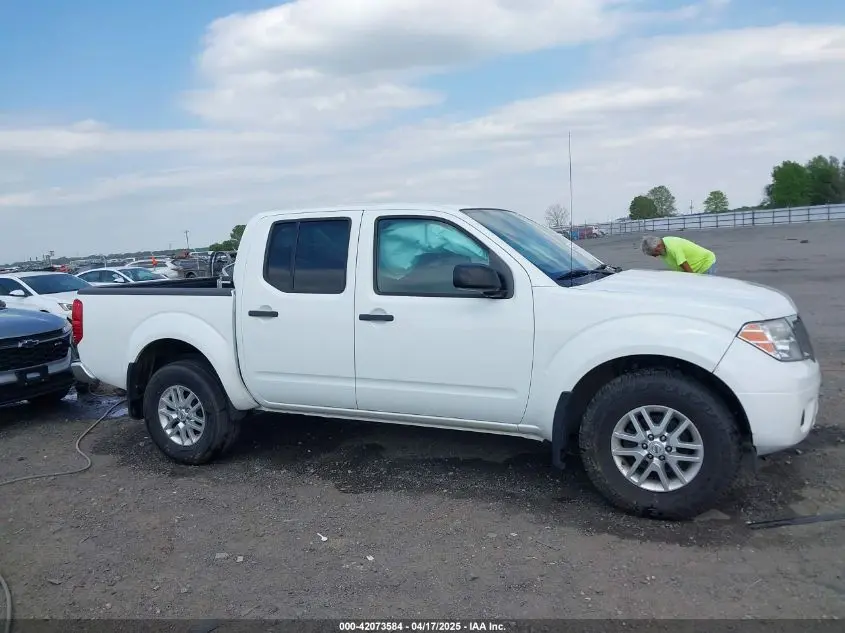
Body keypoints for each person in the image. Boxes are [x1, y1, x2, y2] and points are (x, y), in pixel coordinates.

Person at [641, 235, 717, 275]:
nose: (655, 256)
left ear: (658, 246)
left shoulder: (671, 246)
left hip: (705, 263)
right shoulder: (662, 250)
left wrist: (693, 280)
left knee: (706, 291)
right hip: (695, 268)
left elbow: (683, 263)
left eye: (654, 253)